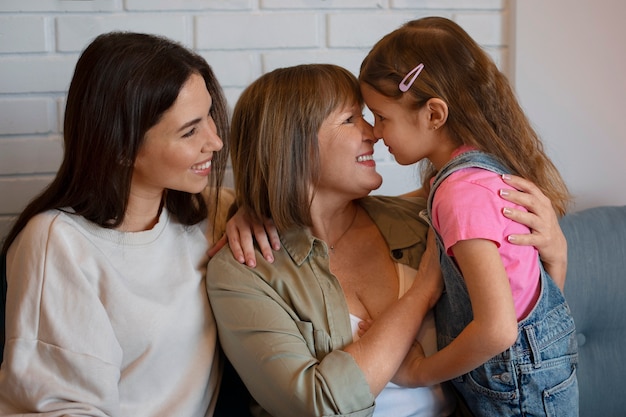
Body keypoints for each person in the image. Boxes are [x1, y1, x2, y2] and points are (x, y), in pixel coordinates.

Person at [206, 63, 568, 417]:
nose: (373, 132)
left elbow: (523, 329)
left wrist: (556, 252)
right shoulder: (244, 272)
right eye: (350, 120)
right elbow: (315, 405)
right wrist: (421, 292)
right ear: (291, 145)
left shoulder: (423, 220)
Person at [0, 31, 230, 416]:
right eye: (190, 131)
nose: (216, 141)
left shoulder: (208, 213)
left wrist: (252, 218)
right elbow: (60, 407)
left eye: (209, 116)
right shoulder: (58, 244)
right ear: (121, 148)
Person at [358, 17, 578, 416]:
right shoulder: (475, 174)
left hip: (515, 395)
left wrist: (419, 372)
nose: (374, 133)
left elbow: (498, 329)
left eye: (381, 116)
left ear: (434, 114)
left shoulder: (460, 196)